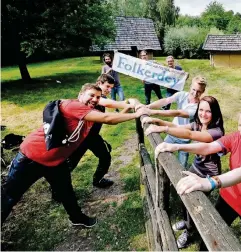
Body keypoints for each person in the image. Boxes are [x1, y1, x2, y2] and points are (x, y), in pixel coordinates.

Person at [1, 83, 149, 228]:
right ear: (80, 95)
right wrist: (137, 114)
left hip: (56, 161)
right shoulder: (73, 106)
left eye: (98, 97)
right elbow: (107, 119)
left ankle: (77, 218)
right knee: (9, 197)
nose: (95, 99)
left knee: (67, 192)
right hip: (31, 157)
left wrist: (129, 109)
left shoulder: (88, 114)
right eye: (91, 95)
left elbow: (110, 120)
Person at [155, 107, 241, 251]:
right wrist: (175, 146)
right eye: (240, 125)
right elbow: (208, 147)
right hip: (230, 197)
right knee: (211, 236)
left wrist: (209, 182)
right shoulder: (237, 137)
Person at [143, 96, 225, 248]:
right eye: (201, 110)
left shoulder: (216, 132)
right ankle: (187, 222)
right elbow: (179, 129)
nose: (203, 114)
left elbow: (189, 135)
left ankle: (189, 231)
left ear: (215, 113)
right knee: (182, 195)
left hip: (208, 172)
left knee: (194, 203)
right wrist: (157, 122)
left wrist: (164, 131)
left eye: (208, 111)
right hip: (197, 166)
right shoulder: (198, 124)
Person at [64, 74, 134, 189]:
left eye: (111, 87)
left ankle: (98, 180)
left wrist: (127, 107)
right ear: (99, 83)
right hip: (80, 137)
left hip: (93, 137)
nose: (109, 90)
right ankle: (57, 188)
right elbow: (109, 104)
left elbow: (113, 119)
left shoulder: (100, 98)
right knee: (70, 164)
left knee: (105, 156)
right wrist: (128, 104)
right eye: (107, 86)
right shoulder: (96, 98)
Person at [136, 75, 207, 168]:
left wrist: (152, 112)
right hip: (171, 132)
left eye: (199, 91)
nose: (195, 93)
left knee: (182, 167)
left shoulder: (199, 107)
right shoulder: (182, 95)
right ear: (190, 86)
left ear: (203, 92)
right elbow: (166, 100)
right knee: (161, 155)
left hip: (184, 138)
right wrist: (148, 106)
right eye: (194, 89)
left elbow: (178, 113)